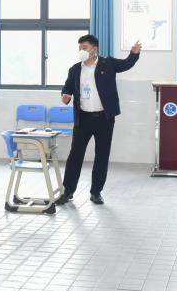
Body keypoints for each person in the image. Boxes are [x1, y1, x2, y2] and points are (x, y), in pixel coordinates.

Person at [55, 35, 142, 206]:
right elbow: (68, 87)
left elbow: (126, 64)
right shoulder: (75, 69)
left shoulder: (107, 64)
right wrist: (65, 95)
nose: (81, 50)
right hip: (83, 119)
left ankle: (96, 192)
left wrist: (134, 54)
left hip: (104, 119)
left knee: (101, 156)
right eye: (79, 48)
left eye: (85, 47)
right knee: (75, 156)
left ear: (94, 48)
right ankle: (68, 191)